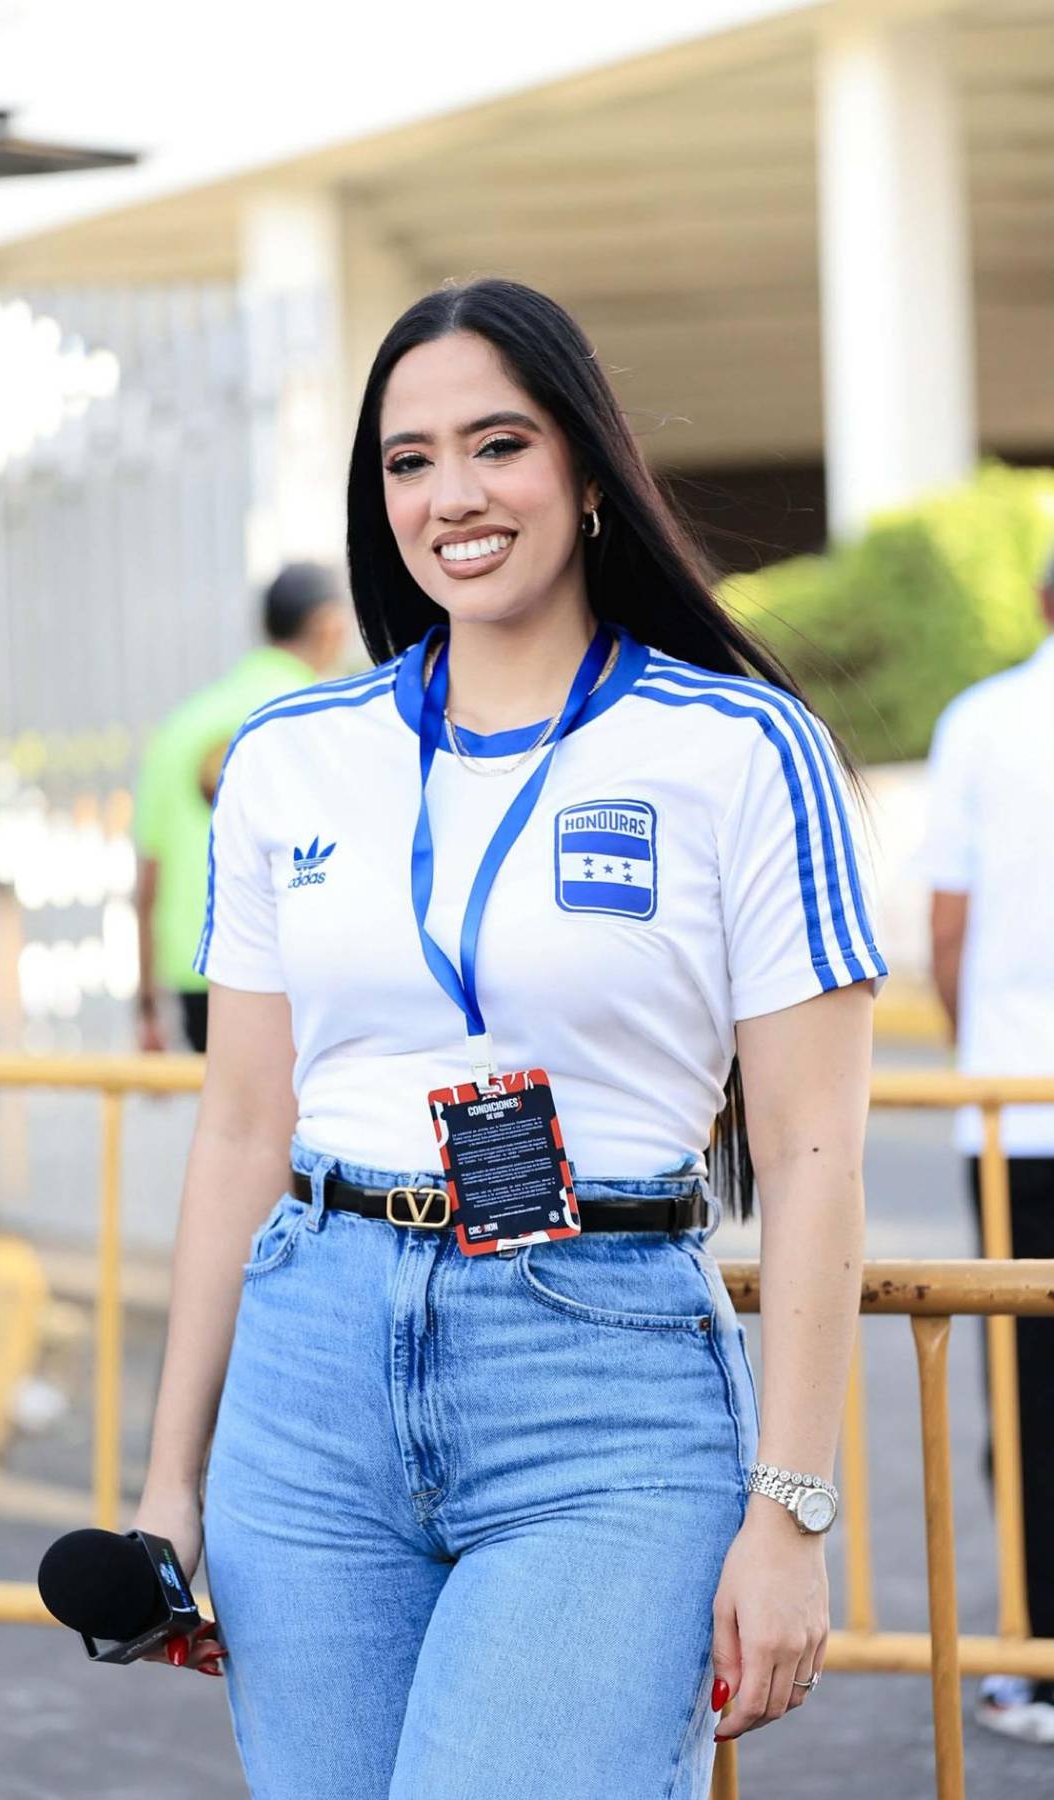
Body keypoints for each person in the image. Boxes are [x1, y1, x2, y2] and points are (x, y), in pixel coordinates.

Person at [131, 278, 887, 1798]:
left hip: (599, 1382)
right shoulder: (290, 760)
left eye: (499, 444)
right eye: (409, 460)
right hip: (313, 1370)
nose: (453, 496)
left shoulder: (741, 751)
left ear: (590, 472)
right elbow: (236, 1132)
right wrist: (168, 1491)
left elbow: (814, 1156)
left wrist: (790, 1513)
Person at [926, 548, 1054, 1747]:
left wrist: (979, 1054)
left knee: (1027, 1389)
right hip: (1012, 1100)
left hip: (1017, 1107)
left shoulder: (985, 722)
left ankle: (1034, 1656)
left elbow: (948, 930)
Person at [133, 563, 349, 1053]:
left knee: (232, 1120)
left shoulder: (181, 726)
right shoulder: (324, 715)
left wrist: (146, 1001)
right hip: (293, 963)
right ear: (327, 627)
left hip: (196, 972)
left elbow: (148, 878)